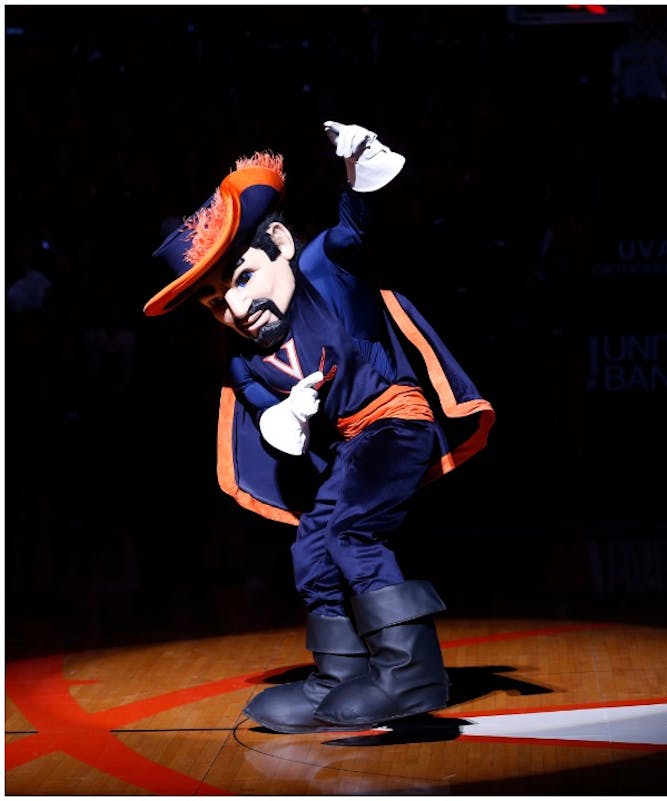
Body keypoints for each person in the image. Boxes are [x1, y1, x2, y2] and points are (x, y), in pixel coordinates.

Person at [144, 122, 494, 733]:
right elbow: (270, 419)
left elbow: (357, 226)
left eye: (243, 279)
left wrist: (360, 171)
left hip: (393, 420)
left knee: (355, 531)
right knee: (313, 546)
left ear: (277, 242)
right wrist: (284, 417)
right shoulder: (245, 360)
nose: (235, 309)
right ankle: (340, 673)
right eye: (215, 302)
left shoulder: (322, 271)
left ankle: (410, 669)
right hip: (351, 448)